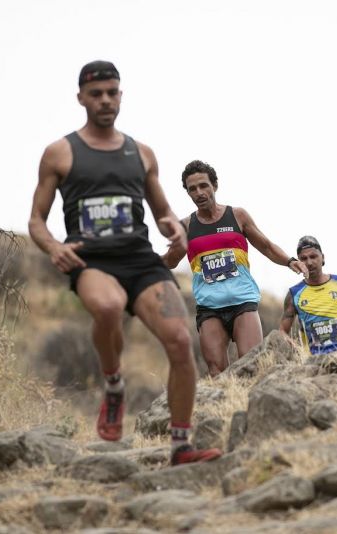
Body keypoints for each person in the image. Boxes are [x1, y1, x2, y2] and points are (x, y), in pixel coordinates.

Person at [28, 61, 221, 465]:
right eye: (96, 94)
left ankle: (181, 446)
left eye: (112, 92)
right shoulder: (60, 153)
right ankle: (114, 385)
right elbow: (36, 221)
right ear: (81, 97)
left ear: (121, 96)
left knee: (182, 341)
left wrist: (171, 226)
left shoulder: (141, 154)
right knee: (108, 306)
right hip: (91, 260)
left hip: (139, 260)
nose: (105, 100)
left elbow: (164, 211)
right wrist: (52, 248)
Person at [163, 160, 308, 376]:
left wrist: (289, 261)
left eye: (204, 186)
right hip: (209, 307)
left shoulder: (237, 216)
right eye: (192, 189)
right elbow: (171, 261)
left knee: (253, 365)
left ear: (215, 186)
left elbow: (266, 246)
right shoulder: (185, 226)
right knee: (216, 371)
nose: (199, 193)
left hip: (242, 302)